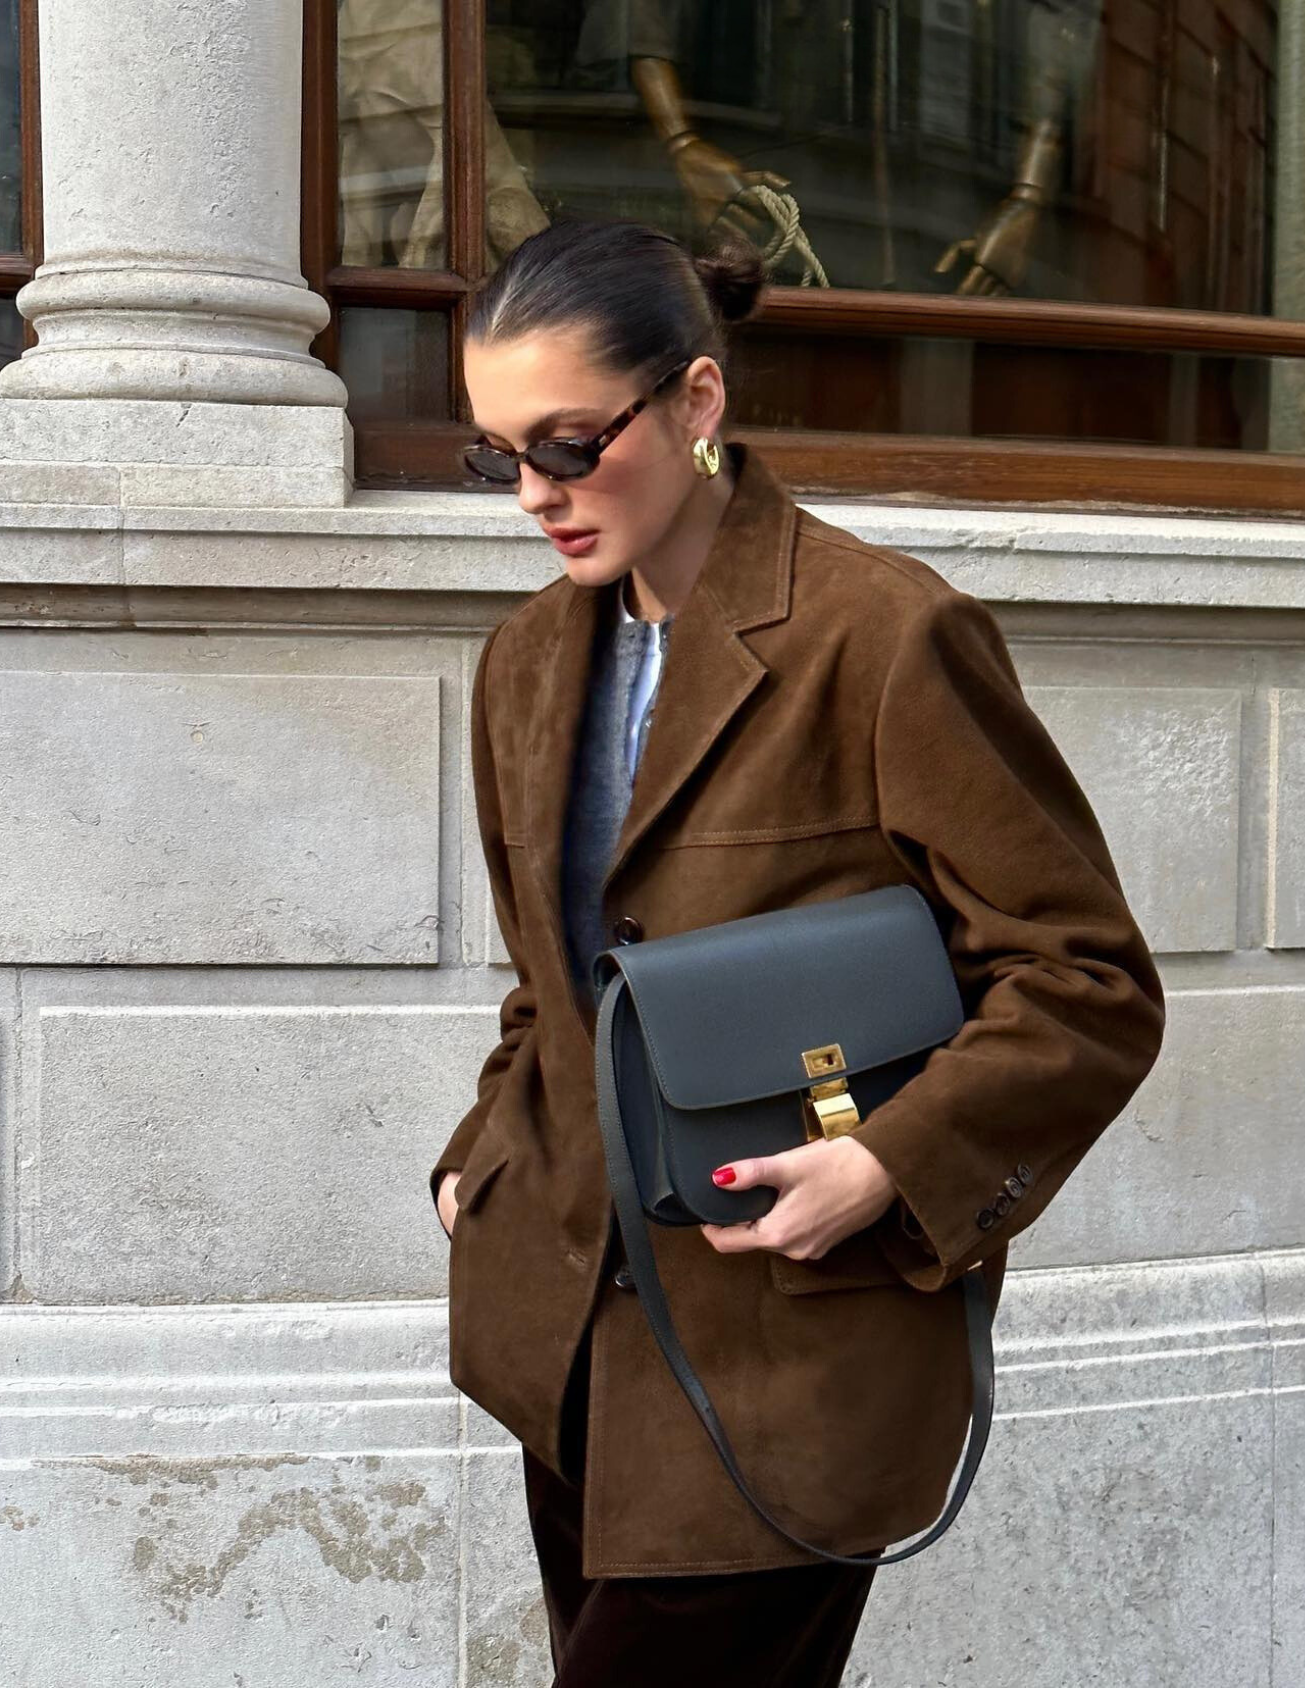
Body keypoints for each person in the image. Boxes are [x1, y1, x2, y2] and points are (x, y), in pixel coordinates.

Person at [430, 217, 1166, 1686]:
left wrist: (891, 1162)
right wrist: (483, 1152)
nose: (532, 494)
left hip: (789, 1350)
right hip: (565, 1348)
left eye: (570, 445)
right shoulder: (525, 662)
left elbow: (1083, 982)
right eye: (498, 455)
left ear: (695, 402)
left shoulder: (885, 637)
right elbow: (555, 979)